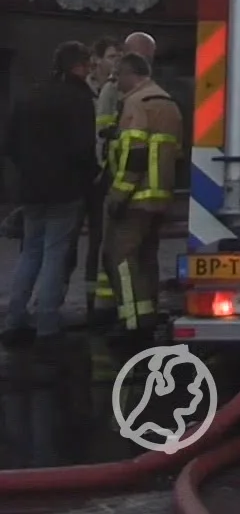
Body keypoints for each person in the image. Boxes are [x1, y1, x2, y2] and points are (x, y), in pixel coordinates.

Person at [1, 42, 99, 350]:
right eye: (88, 66)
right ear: (78, 67)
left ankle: (15, 319)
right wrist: (88, 179)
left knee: (30, 251)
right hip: (65, 190)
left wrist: (28, 174)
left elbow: (11, 144)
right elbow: (83, 149)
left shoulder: (31, 94)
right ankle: (46, 323)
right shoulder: (79, 98)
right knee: (55, 253)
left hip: (31, 190)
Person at [100, 51, 183, 343]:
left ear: (130, 74)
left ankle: (133, 323)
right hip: (159, 197)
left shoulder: (137, 102)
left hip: (135, 197)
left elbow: (135, 154)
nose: (113, 82)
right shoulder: (167, 102)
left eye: (116, 76)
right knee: (146, 256)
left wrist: (118, 194)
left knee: (120, 257)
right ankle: (147, 312)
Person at [65, 37, 121, 320]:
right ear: (97, 60)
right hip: (80, 175)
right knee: (69, 240)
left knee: (100, 240)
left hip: (103, 177)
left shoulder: (115, 90)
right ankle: (61, 299)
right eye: (111, 56)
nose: (115, 62)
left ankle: (92, 302)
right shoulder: (81, 91)